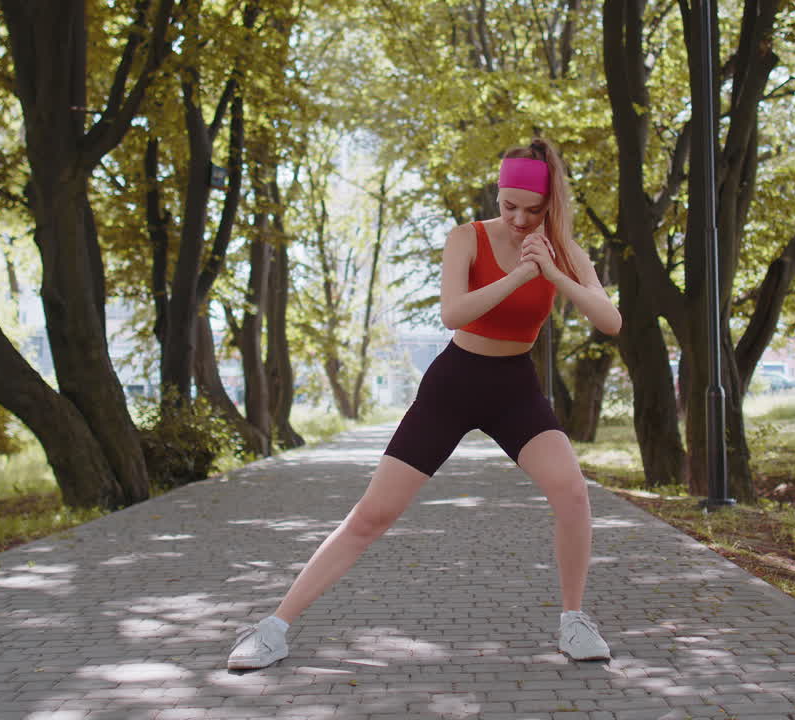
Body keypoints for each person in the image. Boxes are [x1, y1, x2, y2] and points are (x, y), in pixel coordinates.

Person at [228, 138, 623, 671]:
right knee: (373, 514)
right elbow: (454, 313)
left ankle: (574, 621)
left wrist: (553, 274)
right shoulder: (466, 238)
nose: (519, 220)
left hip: (515, 388)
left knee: (573, 493)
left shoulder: (563, 249)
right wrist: (520, 276)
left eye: (533, 211)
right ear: (499, 194)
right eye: (509, 206)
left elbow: (611, 321)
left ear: (549, 204)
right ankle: (272, 628)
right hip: (454, 383)